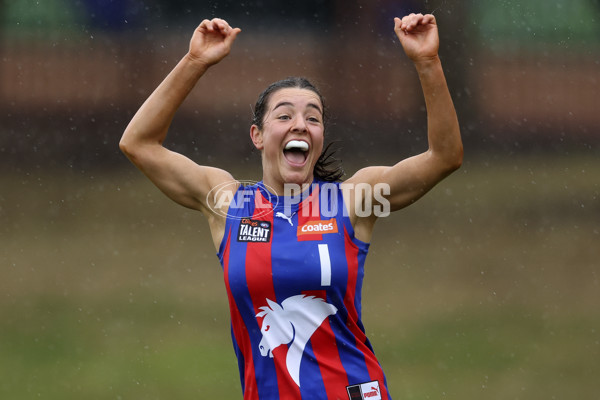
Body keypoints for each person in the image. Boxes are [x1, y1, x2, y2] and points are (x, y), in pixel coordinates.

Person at [120, 13, 462, 400]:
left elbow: (444, 156)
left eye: (312, 118)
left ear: (319, 137)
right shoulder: (227, 204)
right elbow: (139, 144)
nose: (300, 125)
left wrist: (427, 62)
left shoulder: (354, 200)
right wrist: (195, 62)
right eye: (284, 115)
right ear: (258, 136)